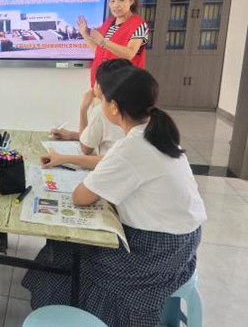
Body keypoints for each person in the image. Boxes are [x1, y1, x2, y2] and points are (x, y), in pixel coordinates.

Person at [22, 65, 206, 327]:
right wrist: (68, 160)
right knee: (73, 248)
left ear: (114, 107)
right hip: (184, 246)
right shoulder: (156, 133)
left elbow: (81, 197)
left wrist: (76, 171)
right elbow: (110, 163)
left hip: (153, 254)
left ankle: (72, 314)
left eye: (104, 99)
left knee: (68, 254)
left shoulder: (132, 146)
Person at [42, 59, 130, 170]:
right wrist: (71, 135)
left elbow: (86, 148)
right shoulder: (135, 108)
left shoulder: (102, 111)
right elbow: (104, 136)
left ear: (99, 87)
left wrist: (83, 109)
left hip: (111, 170)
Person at [77, 0, 149, 87]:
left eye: (121, 0)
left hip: (123, 84)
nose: (116, 5)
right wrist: (84, 33)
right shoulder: (108, 23)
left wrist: (103, 42)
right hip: (102, 82)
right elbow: (99, 50)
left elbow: (129, 54)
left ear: (131, 1)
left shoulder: (139, 24)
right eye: (112, 1)